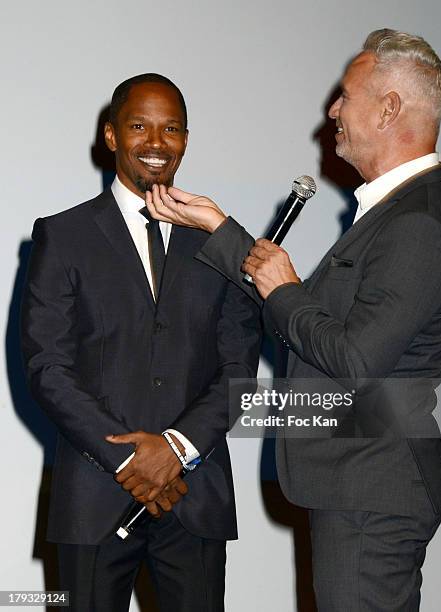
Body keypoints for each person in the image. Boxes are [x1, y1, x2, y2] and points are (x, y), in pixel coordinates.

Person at [145, 30, 441, 611]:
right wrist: (220, 231)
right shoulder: (398, 213)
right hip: (359, 485)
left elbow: (354, 361)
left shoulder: (417, 223)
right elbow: (301, 317)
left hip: (372, 491)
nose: (333, 110)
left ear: (389, 107)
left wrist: (287, 288)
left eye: (345, 96)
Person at [21, 73, 261, 612]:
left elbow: (239, 365)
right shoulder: (63, 237)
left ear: (185, 139)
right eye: (138, 125)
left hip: (195, 499)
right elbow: (48, 367)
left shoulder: (222, 242)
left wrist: (176, 449)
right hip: (94, 498)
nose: (156, 142)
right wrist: (132, 462)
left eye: (171, 128)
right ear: (110, 136)